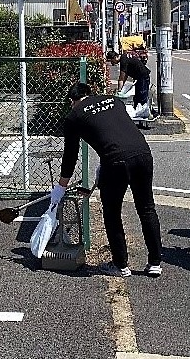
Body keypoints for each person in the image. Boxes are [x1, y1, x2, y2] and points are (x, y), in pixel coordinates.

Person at [49, 82, 163, 278]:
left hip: (115, 161)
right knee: (146, 208)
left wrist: (61, 187)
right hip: (143, 154)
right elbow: (115, 130)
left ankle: (120, 265)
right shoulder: (114, 101)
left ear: (72, 101)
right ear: (90, 94)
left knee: (112, 212)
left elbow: (70, 155)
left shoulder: (74, 116)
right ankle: (155, 263)